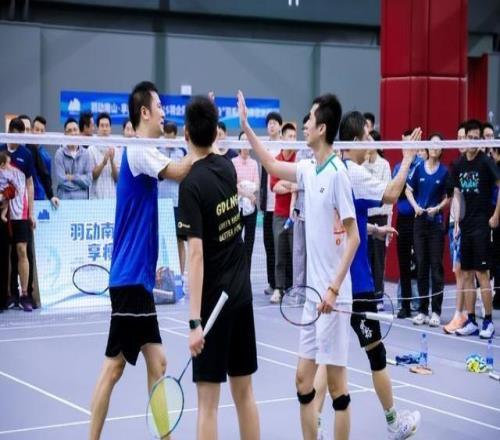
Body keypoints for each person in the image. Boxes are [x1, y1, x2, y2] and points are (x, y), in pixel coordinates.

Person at [239, 90, 360, 440]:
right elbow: (271, 165)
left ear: (322, 129)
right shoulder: (308, 168)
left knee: (337, 389)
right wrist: (246, 127)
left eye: (310, 119)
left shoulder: (337, 174)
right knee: (303, 381)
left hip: (333, 299)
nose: (304, 124)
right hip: (312, 299)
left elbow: (353, 238)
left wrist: (333, 290)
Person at [89, 81, 192, 440]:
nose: (164, 112)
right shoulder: (138, 150)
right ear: (144, 112)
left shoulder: (145, 150)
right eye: (160, 106)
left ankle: (164, 437)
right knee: (113, 368)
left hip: (139, 281)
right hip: (130, 280)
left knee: (157, 363)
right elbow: (179, 171)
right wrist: (203, 141)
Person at [313, 111, 421, 440]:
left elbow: (346, 220)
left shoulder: (330, 170)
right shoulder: (353, 172)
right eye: (367, 136)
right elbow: (392, 193)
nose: (372, 141)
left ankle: (313, 424)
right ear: (354, 141)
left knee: (326, 358)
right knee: (376, 354)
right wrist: (407, 158)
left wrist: (373, 229)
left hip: (331, 282)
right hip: (356, 285)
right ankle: (394, 423)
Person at [177, 96, 260, 440]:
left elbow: (195, 255)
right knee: (245, 393)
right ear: (215, 133)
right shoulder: (227, 168)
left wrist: (194, 322)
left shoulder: (190, 186)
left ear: (185, 134)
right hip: (240, 295)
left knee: (207, 404)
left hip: (212, 305)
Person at [453, 119, 500, 339]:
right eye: (468, 137)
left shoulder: (486, 162)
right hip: (466, 226)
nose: (471, 141)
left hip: (482, 225)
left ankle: (488, 321)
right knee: (466, 274)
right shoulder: (459, 164)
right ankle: (471, 320)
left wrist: (496, 215)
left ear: (480, 140)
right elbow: (457, 194)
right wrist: (456, 222)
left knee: (482, 274)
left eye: (474, 138)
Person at [406, 134, 450, 327]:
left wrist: (438, 208)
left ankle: (436, 311)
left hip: (436, 224)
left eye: (438, 145)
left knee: (436, 266)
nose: (434, 147)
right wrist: (416, 206)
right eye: (431, 144)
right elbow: (408, 190)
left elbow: (448, 197)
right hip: (419, 223)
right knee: (421, 265)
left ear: (441, 150)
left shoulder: (445, 172)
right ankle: (423, 310)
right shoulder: (418, 168)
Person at [0, 118, 36, 312]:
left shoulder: (26, 154)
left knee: (22, 250)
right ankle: (8, 295)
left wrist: (31, 212)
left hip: (20, 209)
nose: (18, 139)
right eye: (15, 134)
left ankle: (24, 294)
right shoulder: (1, 149)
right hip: (3, 208)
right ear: (9, 132)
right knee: (5, 253)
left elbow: (29, 183)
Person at [394, 129, 423, 319]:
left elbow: (419, 188)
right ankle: (404, 304)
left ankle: (421, 305)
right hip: (403, 220)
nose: (406, 147)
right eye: (404, 143)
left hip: (419, 220)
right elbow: (396, 191)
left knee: (421, 263)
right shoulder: (398, 167)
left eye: (410, 143)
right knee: (404, 264)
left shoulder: (421, 165)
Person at [443, 123, 468, 333]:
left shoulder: (478, 165)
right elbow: (453, 197)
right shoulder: (456, 165)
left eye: (464, 137)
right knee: (459, 271)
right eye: (458, 137)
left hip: (469, 224)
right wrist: (456, 223)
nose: (461, 141)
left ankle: (464, 314)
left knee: (467, 272)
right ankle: (460, 314)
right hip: (455, 224)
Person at [270, 122, 297, 303]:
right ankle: (278, 288)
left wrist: (285, 183)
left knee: (296, 253)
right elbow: (274, 187)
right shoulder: (276, 160)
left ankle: (296, 288)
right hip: (279, 214)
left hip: (296, 214)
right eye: (290, 136)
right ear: (282, 138)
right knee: (279, 254)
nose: (293, 140)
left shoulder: (299, 159)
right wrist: (290, 185)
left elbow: (299, 185)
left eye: (295, 137)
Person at [158, 120, 187, 276]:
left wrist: (170, 173)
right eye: (166, 137)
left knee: (179, 240)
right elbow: (159, 174)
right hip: (161, 202)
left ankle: (180, 276)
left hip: (177, 202)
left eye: (171, 138)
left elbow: (183, 175)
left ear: (175, 136)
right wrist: (174, 173)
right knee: (161, 238)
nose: (168, 141)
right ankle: (161, 275)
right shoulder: (157, 150)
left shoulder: (182, 152)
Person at [364, 147, 392, 304]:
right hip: (365, 215)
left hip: (380, 216)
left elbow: (387, 191)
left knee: (378, 259)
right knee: (365, 257)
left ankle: (379, 296)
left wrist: (388, 221)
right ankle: (366, 295)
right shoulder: (361, 165)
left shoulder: (384, 164)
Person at [260, 111, 282, 296]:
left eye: (275, 122)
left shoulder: (285, 146)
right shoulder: (264, 147)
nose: (272, 125)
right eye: (269, 123)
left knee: (280, 246)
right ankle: (272, 282)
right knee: (268, 244)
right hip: (267, 205)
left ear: (280, 126)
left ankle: (281, 284)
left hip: (281, 206)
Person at [232, 131, 259, 273]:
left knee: (249, 244)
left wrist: (245, 187)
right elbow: (233, 185)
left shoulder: (254, 163)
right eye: (242, 140)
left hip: (251, 209)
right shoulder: (233, 162)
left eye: (247, 140)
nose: (245, 143)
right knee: (235, 244)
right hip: (236, 209)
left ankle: (246, 277)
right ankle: (236, 275)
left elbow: (256, 184)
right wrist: (247, 193)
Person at [54, 118, 92, 200]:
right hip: (65, 200)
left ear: (79, 132)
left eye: (75, 130)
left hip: (82, 202)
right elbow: (61, 180)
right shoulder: (59, 154)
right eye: (69, 131)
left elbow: (88, 180)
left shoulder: (86, 153)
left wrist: (72, 177)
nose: (73, 133)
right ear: (65, 134)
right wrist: (81, 185)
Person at [88, 112, 122, 199]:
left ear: (110, 128)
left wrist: (112, 161)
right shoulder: (91, 150)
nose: (104, 129)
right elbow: (92, 176)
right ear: (97, 128)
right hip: (95, 198)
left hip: (112, 197)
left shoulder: (116, 150)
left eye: (107, 126)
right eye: (102, 126)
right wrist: (103, 163)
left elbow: (117, 178)